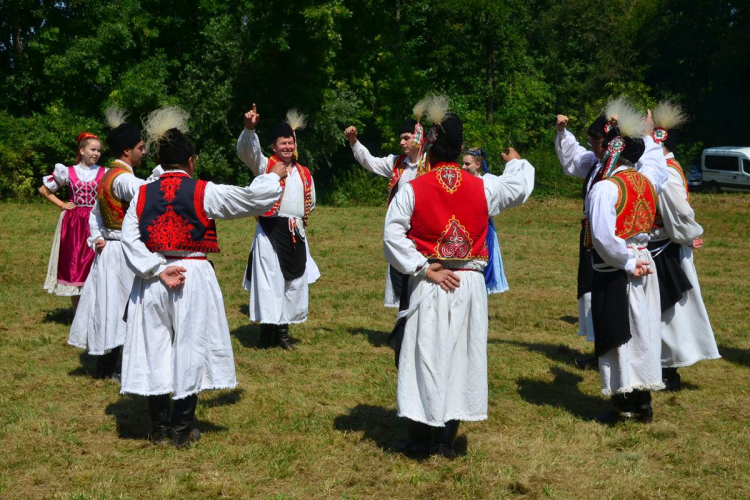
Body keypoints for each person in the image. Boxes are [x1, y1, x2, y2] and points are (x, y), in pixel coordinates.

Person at [120, 107, 287, 448]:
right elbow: (251, 199)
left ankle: (159, 428)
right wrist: (274, 176)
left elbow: (129, 238)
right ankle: (181, 431)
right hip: (192, 275)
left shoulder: (142, 192)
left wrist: (156, 268)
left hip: (153, 278)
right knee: (190, 347)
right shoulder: (202, 191)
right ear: (191, 161)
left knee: (155, 348)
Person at [384, 95, 535, 458]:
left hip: (431, 278)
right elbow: (521, 187)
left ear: (430, 149)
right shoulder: (483, 186)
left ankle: (421, 438)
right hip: (467, 283)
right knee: (459, 357)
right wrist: (516, 163)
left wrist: (422, 267)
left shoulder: (413, 187)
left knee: (423, 355)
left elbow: (391, 235)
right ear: (459, 149)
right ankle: (444, 441)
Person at [587, 97, 669, 424]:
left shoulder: (606, 189)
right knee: (643, 329)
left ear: (614, 149)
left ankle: (626, 404)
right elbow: (656, 164)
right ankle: (643, 401)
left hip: (621, 267)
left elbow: (604, 237)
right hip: (645, 261)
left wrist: (624, 262)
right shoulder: (646, 182)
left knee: (620, 329)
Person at [68, 107, 146, 380]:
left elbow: (94, 214)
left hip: (111, 250)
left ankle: (106, 364)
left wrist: (97, 237)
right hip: (122, 252)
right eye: (140, 147)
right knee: (122, 306)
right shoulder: (124, 179)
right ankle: (115, 366)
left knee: (109, 304)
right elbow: (149, 197)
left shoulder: (105, 176)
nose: (143, 152)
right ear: (127, 151)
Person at [649, 101, 721, 390]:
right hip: (664, 246)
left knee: (672, 310)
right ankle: (664, 364)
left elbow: (680, 214)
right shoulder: (665, 167)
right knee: (666, 309)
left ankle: (670, 369)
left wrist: (687, 234)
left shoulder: (667, 171)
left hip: (667, 250)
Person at [237, 104, 320, 350]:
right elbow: (248, 152)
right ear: (273, 146)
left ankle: (283, 334)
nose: (287, 147)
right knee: (269, 282)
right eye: (282, 143)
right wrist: (250, 129)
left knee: (293, 281)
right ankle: (267, 335)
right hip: (271, 230)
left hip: (295, 231)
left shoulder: (304, 172)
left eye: (290, 142)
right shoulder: (266, 167)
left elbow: (311, 203)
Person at [345, 116, 425, 308]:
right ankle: (402, 325)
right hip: (402, 230)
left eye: (406, 137)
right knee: (400, 274)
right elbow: (370, 162)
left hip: (424, 231)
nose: (401, 142)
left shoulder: (431, 164)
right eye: (401, 138)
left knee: (421, 278)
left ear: (419, 137)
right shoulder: (397, 163)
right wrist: (354, 142)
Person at [40, 132, 105, 312]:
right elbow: (44, 190)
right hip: (74, 223)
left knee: (94, 263)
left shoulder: (103, 172)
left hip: (95, 221)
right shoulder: (68, 171)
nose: (96, 153)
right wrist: (62, 204)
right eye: (93, 149)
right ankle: (78, 313)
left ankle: (94, 311)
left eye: (98, 150)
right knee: (75, 264)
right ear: (82, 150)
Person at [461, 148, 509, 294]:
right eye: (462, 164)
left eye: (467, 164)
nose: (463, 167)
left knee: (482, 265)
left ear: (478, 165)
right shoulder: (461, 182)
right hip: (463, 228)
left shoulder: (487, 183)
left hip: (482, 228)